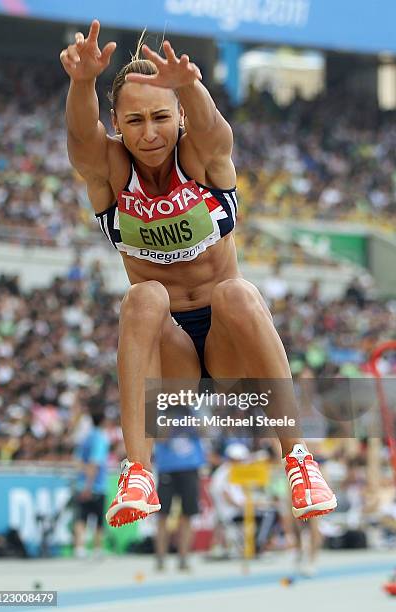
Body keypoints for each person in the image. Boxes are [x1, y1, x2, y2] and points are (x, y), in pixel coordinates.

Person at [60, 20, 337, 527]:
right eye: (136, 120)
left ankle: (298, 459)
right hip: (171, 360)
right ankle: (138, 471)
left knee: (237, 291)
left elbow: (215, 130)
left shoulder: (200, 153)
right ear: (118, 124)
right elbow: (82, 139)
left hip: (229, 348)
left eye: (162, 117)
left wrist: (190, 83)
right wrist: (82, 84)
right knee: (144, 297)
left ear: (180, 115)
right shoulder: (112, 173)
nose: (150, 134)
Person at [154, 430, 206, 571]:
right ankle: (160, 558)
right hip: (167, 468)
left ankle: (183, 558)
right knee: (162, 515)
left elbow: (205, 431)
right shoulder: (161, 412)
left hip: (190, 468)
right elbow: (159, 437)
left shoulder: (194, 411)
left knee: (188, 515)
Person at [74, 409, 110, 558]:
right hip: (96, 485)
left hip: (81, 483)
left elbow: (78, 461)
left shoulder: (86, 438)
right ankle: (97, 548)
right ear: (102, 421)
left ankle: (79, 547)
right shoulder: (100, 438)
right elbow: (94, 463)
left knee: (81, 517)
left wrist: (83, 482)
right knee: (98, 519)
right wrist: (89, 486)